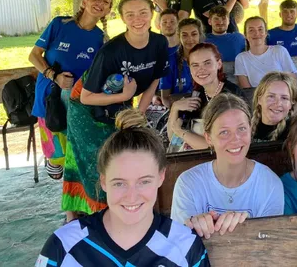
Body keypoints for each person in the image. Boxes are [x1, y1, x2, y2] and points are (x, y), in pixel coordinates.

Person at [36, 109, 210, 267]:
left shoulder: (185, 246)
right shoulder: (63, 247)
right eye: (119, 183)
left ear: (161, 177)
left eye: (144, 181)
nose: (131, 196)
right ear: (103, 181)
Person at [63, 0, 169, 222]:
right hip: (85, 107)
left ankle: (119, 210)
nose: (137, 18)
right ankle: (92, 216)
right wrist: (125, 95)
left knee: (120, 156)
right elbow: (87, 97)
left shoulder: (160, 42)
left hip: (120, 102)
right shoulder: (111, 51)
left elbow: (154, 80)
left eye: (143, 12)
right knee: (96, 161)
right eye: (130, 14)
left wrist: (138, 113)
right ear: (122, 18)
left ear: (152, 14)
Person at [171, 94, 284, 239]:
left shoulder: (270, 184)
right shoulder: (188, 183)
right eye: (224, 132)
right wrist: (194, 227)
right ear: (208, 138)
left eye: (241, 129)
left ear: (251, 130)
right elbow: (179, 247)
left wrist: (246, 227)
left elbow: (271, 247)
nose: (235, 139)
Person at [29, 0, 113, 180]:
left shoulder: (101, 39)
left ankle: (78, 202)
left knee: (77, 158)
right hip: (50, 99)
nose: (100, 3)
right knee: (57, 158)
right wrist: (53, 75)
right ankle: (55, 166)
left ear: (108, 11)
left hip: (79, 104)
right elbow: (33, 55)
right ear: (84, 2)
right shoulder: (60, 24)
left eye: (106, 1)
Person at [167, 42, 245, 153]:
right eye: (195, 65)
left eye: (207, 63)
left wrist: (181, 132)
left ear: (219, 64)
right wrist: (175, 108)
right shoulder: (197, 95)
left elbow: (216, 147)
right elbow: (173, 140)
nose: (201, 69)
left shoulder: (232, 96)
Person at [235, 16, 297, 88]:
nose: (256, 33)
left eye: (260, 29)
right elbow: (246, 89)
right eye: (251, 30)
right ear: (245, 35)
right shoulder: (241, 58)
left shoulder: (279, 51)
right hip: (257, 97)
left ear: (266, 33)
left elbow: (292, 80)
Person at [159, 18, 206, 107]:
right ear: (179, 36)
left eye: (194, 34)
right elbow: (165, 98)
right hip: (179, 110)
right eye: (184, 35)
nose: (190, 39)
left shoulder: (208, 59)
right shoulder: (169, 61)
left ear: (200, 35)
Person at [250, 72, 297, 143]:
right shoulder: (245, 128)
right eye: (271, 96)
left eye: (284, 98)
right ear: (259, 99)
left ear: (291, 103)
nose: (278, 103)